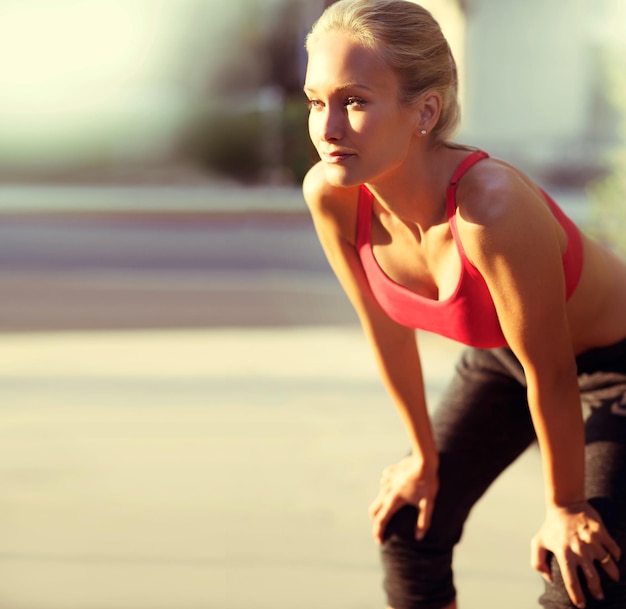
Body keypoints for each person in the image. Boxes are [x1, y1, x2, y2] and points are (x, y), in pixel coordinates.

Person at [301, 1, 626, 608]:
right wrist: (421, 456)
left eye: (355, 101)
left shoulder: (490, 209)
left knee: (582, 572)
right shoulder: (333, 195)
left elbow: (552, 372)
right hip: (508, 361)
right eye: (317, 101)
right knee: (408, 522)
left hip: (613, 367)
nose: (329, 128)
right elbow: (386, 329)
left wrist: (565, 507)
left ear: (423, 111)